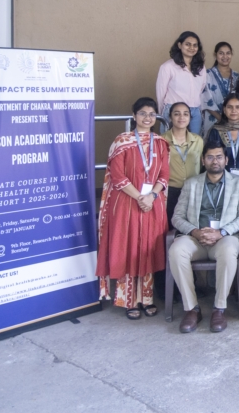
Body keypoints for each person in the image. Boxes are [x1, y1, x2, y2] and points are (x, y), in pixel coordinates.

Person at [96, 97, 170, 320]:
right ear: (134, 115)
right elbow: (117, 176)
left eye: (152, 114)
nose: (147, 118)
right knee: (128, 248)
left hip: (152, 204)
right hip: (127, 203)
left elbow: (164, 175)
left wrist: (152, 196)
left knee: (147, 247)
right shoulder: (122, 141)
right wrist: (140, 197)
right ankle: (128, 300)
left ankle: (146, 298)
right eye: (143, 113)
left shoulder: (160, 142)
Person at [169, 143, 239, 333]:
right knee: (176, 251)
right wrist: (195, 232)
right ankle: (192, 309)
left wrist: (221, 232)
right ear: (203, 160)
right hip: (195, 238)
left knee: (229, 251)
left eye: (219, 157)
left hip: (224, 238)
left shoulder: (238, 183)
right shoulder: (191, 184)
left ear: (226, 160)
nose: (215, 161)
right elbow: (177, 217)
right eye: (210, 157)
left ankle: (219, 309)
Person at [156, 31, 207, 134]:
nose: (191, 47)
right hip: (173, 110)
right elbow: (160, 93)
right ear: (179, 45)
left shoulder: (201, 68)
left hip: (195, 112)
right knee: (169, 142)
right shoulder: (168, 67)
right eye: (187, 44)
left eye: (195, 45)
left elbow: (201, 89)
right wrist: (163, 114)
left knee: (194, 142)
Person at [162, 103, 204, 226]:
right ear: (170, 117)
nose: (181, 117)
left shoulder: (198, 140)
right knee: (169, 227)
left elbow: (202, 166)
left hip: (193, 191)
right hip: (170, 191)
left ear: (190, 118)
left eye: (185, 114)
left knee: (192, 226)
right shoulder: (161, 140)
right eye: (177, 114)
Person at [200, 41, 239, 136]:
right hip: (212, 119)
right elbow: (205, 99)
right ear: (215, 55)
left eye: (228, 53)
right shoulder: (207, 74)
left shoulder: (237, 76)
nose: (225, 56)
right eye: (221, 53)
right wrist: (221, 118)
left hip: (233, 120)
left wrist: (230, 118)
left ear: (231, 55)